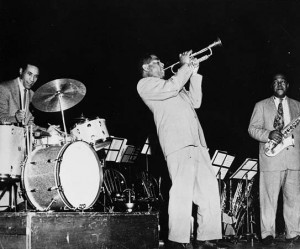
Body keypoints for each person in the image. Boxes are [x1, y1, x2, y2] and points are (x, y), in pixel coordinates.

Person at [137, 51, 222, 249]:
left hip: (197, 144)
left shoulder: (174, 84)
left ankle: (205, 238)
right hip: (178, 144)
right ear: (146, 68)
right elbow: (173, 86)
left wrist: (193, 73)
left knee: (209, 192)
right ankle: (177, 241)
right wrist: (185, 66)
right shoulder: (147, 85)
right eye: (157, 62)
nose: (163, 64)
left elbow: (196, 102)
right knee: (181, 194)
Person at [248, 73, 300, 245]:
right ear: (272, 86)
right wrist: (268, 134)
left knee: (293, 199)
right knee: (268, 199)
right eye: (276, 82)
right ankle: (267, 234)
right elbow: (252, 129)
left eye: (283, 81)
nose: (280, 84)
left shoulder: (297, 106)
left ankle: (293, 233)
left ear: (288, 85)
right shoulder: (261, 105)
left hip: (293, 159)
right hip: (271, 159)